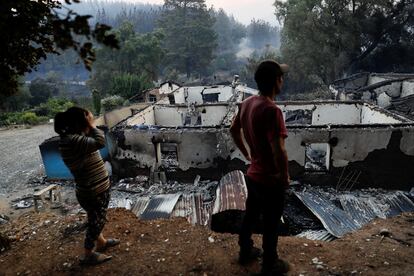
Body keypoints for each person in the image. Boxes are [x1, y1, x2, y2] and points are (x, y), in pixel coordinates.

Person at [230, 60, 290, 275]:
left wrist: (246, 153)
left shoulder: (247, 103)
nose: (282, 79)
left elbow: (233, 129)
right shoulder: (272, 111)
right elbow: (279, 150)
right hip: (270, 179)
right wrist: (284, 176)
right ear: (276, 81)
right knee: (271, 222)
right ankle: (270, 263)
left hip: (253, 175)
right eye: (281, 76)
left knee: (251, 214)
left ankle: (245, 251)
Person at [54, 107, 120, 265]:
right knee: (97, 221)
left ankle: (101, 242)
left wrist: (87, 126)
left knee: (94, 218)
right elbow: (100, 141)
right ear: (82, 122)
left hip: (90, 189)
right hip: (94, 190)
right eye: (90, 118)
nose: (93, 120)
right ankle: (88, 254)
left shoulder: (73, 139)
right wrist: (91, 126)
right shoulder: (73, 140)